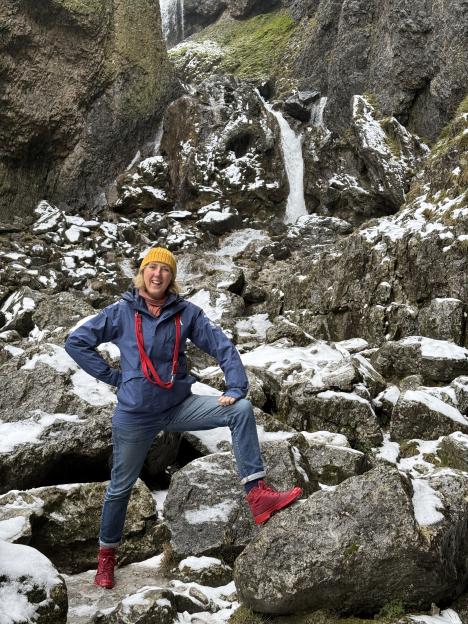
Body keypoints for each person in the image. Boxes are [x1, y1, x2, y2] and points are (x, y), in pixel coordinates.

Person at [65, 247, 302, 589]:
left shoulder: (187, 313)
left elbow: (222, 346)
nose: (157, 274)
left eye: (165, 269)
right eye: (152, 268)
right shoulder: (120, 313)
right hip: (134, 416)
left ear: (172, 278)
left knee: (240, 410)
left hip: (178, 408)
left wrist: (236, 385)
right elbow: (76, 342)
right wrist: (115, 377)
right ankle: (106, 559)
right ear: (142, 273)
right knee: (120, 488)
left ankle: (258, 494)